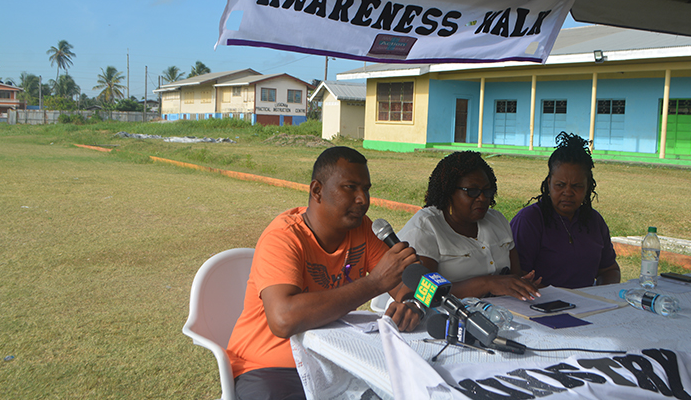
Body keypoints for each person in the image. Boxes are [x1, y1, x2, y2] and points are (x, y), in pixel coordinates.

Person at [226, 146, 421, 400]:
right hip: (270, 366)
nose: (362, 199)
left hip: (336, 358)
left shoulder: (363, 229)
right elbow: (283, 319)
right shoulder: (283, 237)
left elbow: (406, 286)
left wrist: (411, 303)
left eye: (366, 189)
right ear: (317, 191)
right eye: (350, 187)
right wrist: (373, 283)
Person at [398, 151, 540, 301]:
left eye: (487, 191)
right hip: (444, 317)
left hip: (500, 312)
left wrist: (520, 284)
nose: (483, 198)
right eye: (472, 191)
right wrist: (487, 284)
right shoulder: (426, 226)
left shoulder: (497, 220)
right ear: (449, 192)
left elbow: (514, 274)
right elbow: (423, 292)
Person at [510, 132, 621, 289]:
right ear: (549, 183)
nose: (568, 192)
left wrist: (600, 294)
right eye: (560, 185)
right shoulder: (529, 220)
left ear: (588, 187)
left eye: (577, 186)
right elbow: (518, 276)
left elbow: (610, 270)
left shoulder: (594, 221)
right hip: (541, 306)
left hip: (587, 306)